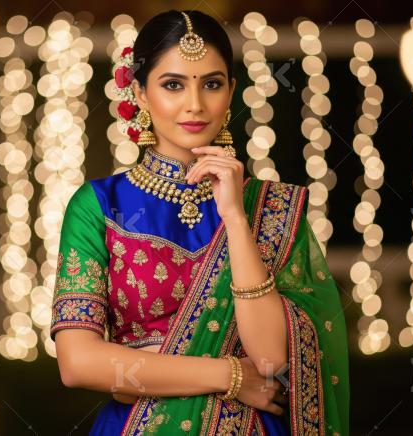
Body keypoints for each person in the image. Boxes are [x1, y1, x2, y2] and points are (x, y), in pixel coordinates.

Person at [51, 9, 349, 435]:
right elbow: (78, 363)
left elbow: (270, 360)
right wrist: (231, 376)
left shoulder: (269, 208)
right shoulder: (99, 205)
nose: (195, 105)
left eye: (211, 84)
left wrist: (234, 217)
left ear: (230, 91)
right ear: (138, 93)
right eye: (172, 85)